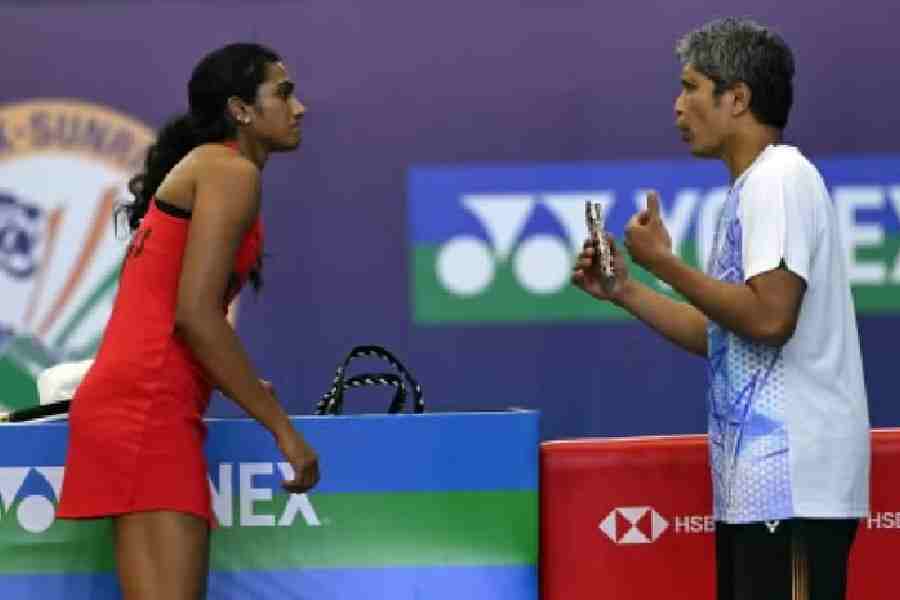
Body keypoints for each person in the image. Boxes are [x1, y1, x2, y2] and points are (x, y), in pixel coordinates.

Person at [572, 18, 869, 600]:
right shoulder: (747, 191)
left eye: (690, 87)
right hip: (756, 491)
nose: (677, 106)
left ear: (737, 98)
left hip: (794, 489)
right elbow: (725, 335)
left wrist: (665, 263)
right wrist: (628, 289)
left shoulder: (779, 178)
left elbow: (769, 319)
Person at [57, 43, 319, 600]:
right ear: (241, 109)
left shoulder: (216, 169)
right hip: (145, 411)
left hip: (144, 403)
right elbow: (195, 316)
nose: (299, 108)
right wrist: (282, 428)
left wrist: (241, 385)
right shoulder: (230, 172)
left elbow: (178, 315)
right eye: (284, 92)